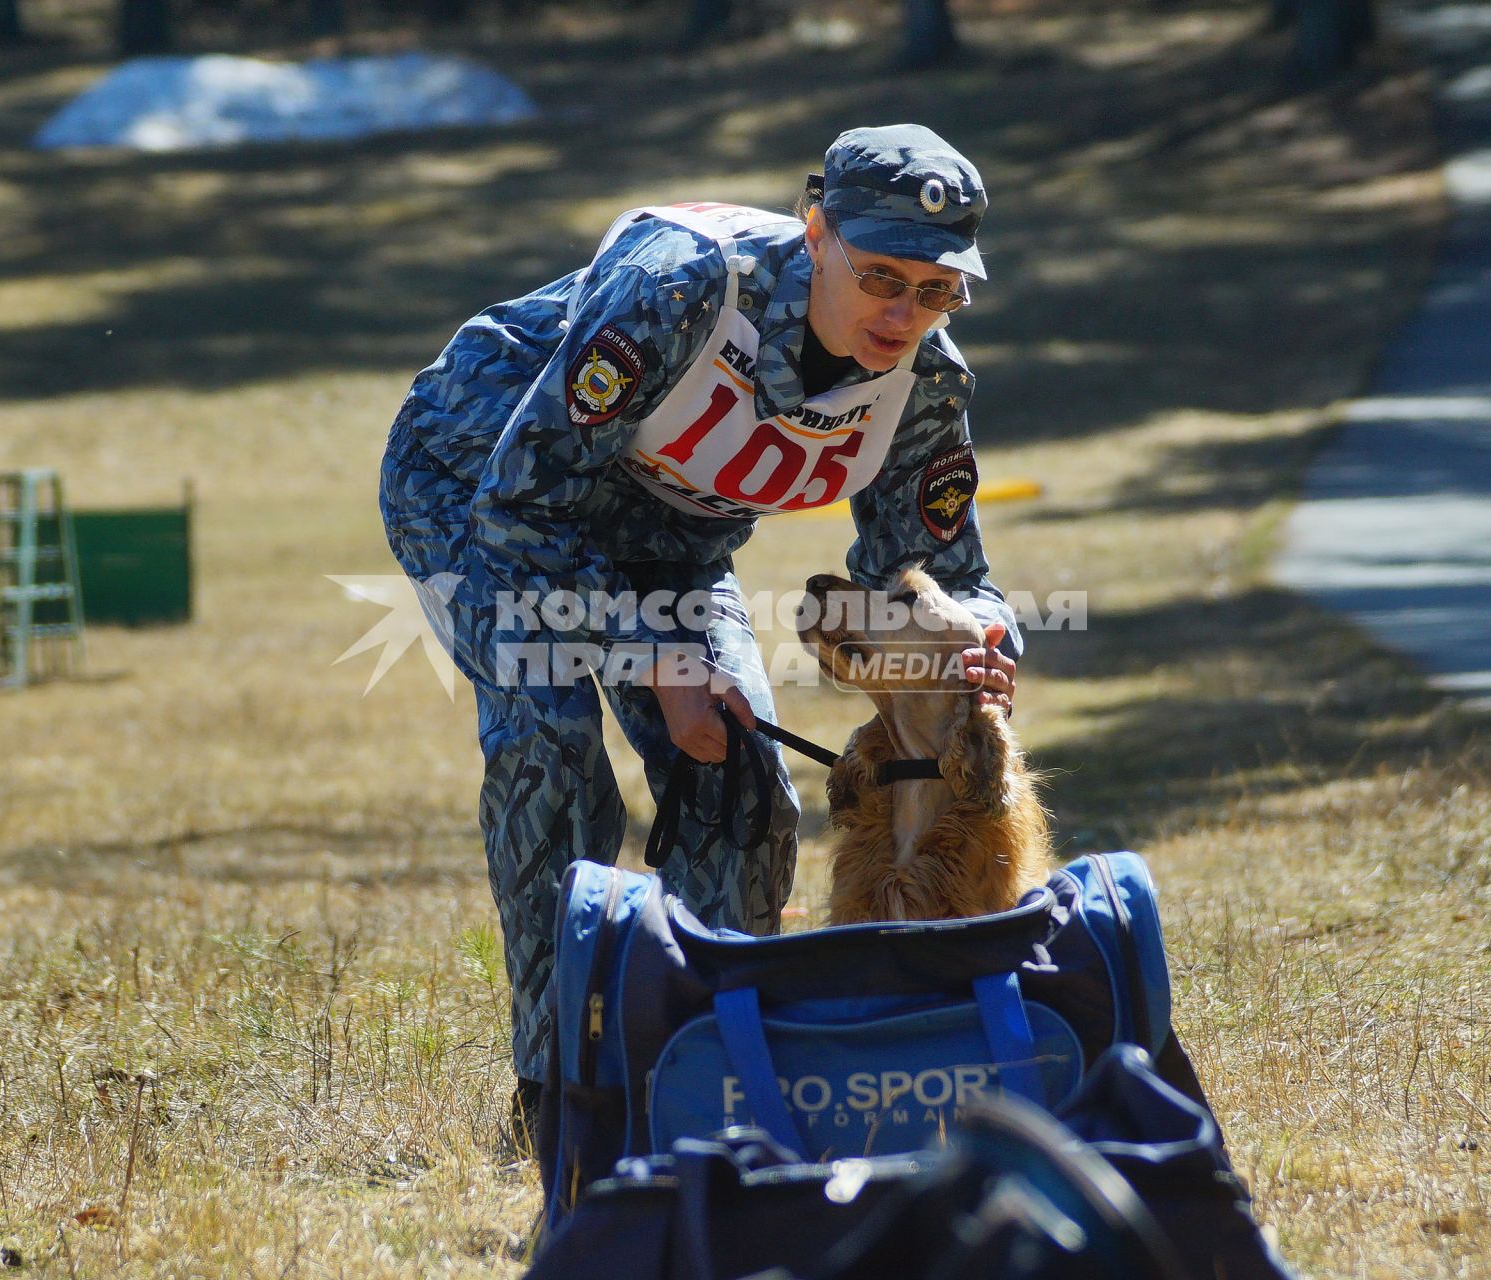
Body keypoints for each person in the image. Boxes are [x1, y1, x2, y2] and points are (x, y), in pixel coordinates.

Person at [378, 124, 1020, 1139]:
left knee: (742, 785)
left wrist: (984, 638)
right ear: (817, 233)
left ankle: (714, 1071)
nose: (906, 313)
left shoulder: (923, 385)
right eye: (884, 277)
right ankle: (564, 1093)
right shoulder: (680, 287)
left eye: (938, 289)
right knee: (550, 756)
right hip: (479, 490)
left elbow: (942, 572)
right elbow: (525, 509)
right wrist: (663, 656)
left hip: (669, 544)